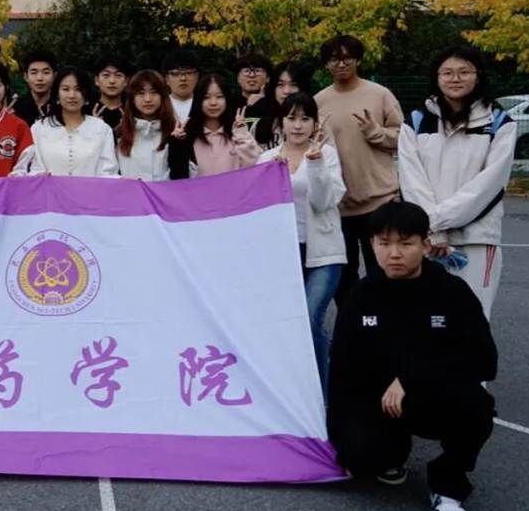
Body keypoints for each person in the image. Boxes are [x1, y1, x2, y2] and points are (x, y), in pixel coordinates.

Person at [328, 201, 496, 511]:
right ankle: (390, 453)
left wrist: (411, 378)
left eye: (405, 243)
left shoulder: (451, 292)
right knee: (360, 458)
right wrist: (341, 436)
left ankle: (448, 484)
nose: (394, 254)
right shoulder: (360, 296)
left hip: (432, 395)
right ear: (372, 244)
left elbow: (483, 360)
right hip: (378, 398)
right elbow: (343, 370)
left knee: (476, 407)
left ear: (425, 244)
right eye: (384, 243)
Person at [398, 47, 516, 319]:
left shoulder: (499, 123)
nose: (455, 79)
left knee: (473, 317)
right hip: (426, 240)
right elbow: (412, 180)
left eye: (464, 72)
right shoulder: (415, 121)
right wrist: (431, 230)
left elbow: (487, 187)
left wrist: (436, 222)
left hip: (476, 239)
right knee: (424, 317)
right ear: (436, 77)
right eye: (447, 73)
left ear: (478, 75)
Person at [260, 93, 346, 387]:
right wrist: (272, 176)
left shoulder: (326, 154)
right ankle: (292, 391)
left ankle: (319, 396)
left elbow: (325, 202)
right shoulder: (267, 159)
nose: (298, 126)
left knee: (310, 319)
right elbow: (259, 209)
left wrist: (316, 163)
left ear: (315, 124)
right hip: (282, 254)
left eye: (305, 119)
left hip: (324, 252)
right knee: (285, 325)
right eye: (291, 118)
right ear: (280, 122)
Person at [315, 35, 404, 305]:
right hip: (338, 205)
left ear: (358, 60)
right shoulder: (319, 101)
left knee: (383, 271)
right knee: (344, 278)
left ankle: (386, 323)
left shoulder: (380, 94)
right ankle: (352, 323)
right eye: (334, 59)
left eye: (347, 58)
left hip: (379, 199)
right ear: (326, 64)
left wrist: (376, 133)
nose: (341, 64)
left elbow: (404, 138)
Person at [16, 66, 119, 177]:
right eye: (65, 89)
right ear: (57, 94)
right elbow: (33, 169)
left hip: (91, 189)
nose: (72, 95)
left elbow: (108, 173)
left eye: (78, 89)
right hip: (48, 189)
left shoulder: (102, 129)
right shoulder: (39, 128)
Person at [169, 74, 259, 179]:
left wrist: (242, 135)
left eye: (219, 97)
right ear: (198, 100)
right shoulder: (188, 136)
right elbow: (178, 178)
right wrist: (177, 144)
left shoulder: (238, 134)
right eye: (206, 97)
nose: (213, 103)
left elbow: (254, 166)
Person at [116, 70, 177, 181]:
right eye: (141, 93)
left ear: (162, 96)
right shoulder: (119, 134)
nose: (148, 99)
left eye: (153, 92)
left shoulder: (174, 133)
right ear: (132, 99)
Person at [235, 52, 278, 147]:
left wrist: (261, 104)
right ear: (238, 78)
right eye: (246, 71)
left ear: (268, 78)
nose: (252, 75)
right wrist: (249, 107)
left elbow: (264, 136)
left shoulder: (275, 104)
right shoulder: (229, 104)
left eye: (258, 71)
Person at [12, 50, 57, 127]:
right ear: (25, 76)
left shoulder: (61, 107)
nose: (39, 78)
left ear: (54, 76)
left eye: (46, 72)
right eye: (34, 73)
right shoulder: (15, 108)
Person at [92, 56, 134, 131]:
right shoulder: (85, 111)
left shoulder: (133, 111)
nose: (112, 81)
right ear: (96, 80)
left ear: (126, 81)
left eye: (118, 75)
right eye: (106, 75)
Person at [162, 50, 200, 123]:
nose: (183, 78)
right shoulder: (161, 106)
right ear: (166, 79)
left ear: (197, 77)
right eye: (176, 74)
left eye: (188, 73)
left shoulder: (204, 105)